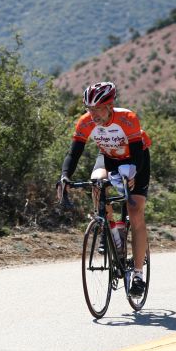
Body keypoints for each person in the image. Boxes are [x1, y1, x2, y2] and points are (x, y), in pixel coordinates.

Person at [57, 81, 152, 297]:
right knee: (96, 182)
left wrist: (132, 174)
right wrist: (64, 177)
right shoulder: (85, 123)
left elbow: (137, 152)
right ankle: (110, 231)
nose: (93, 114)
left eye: (98, 109)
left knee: (135, 211)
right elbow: (74, 154)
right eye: (89, 109)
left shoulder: (127, 119)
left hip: (136, 159)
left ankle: (137, 274)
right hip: (108, 158)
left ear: (110, 106)